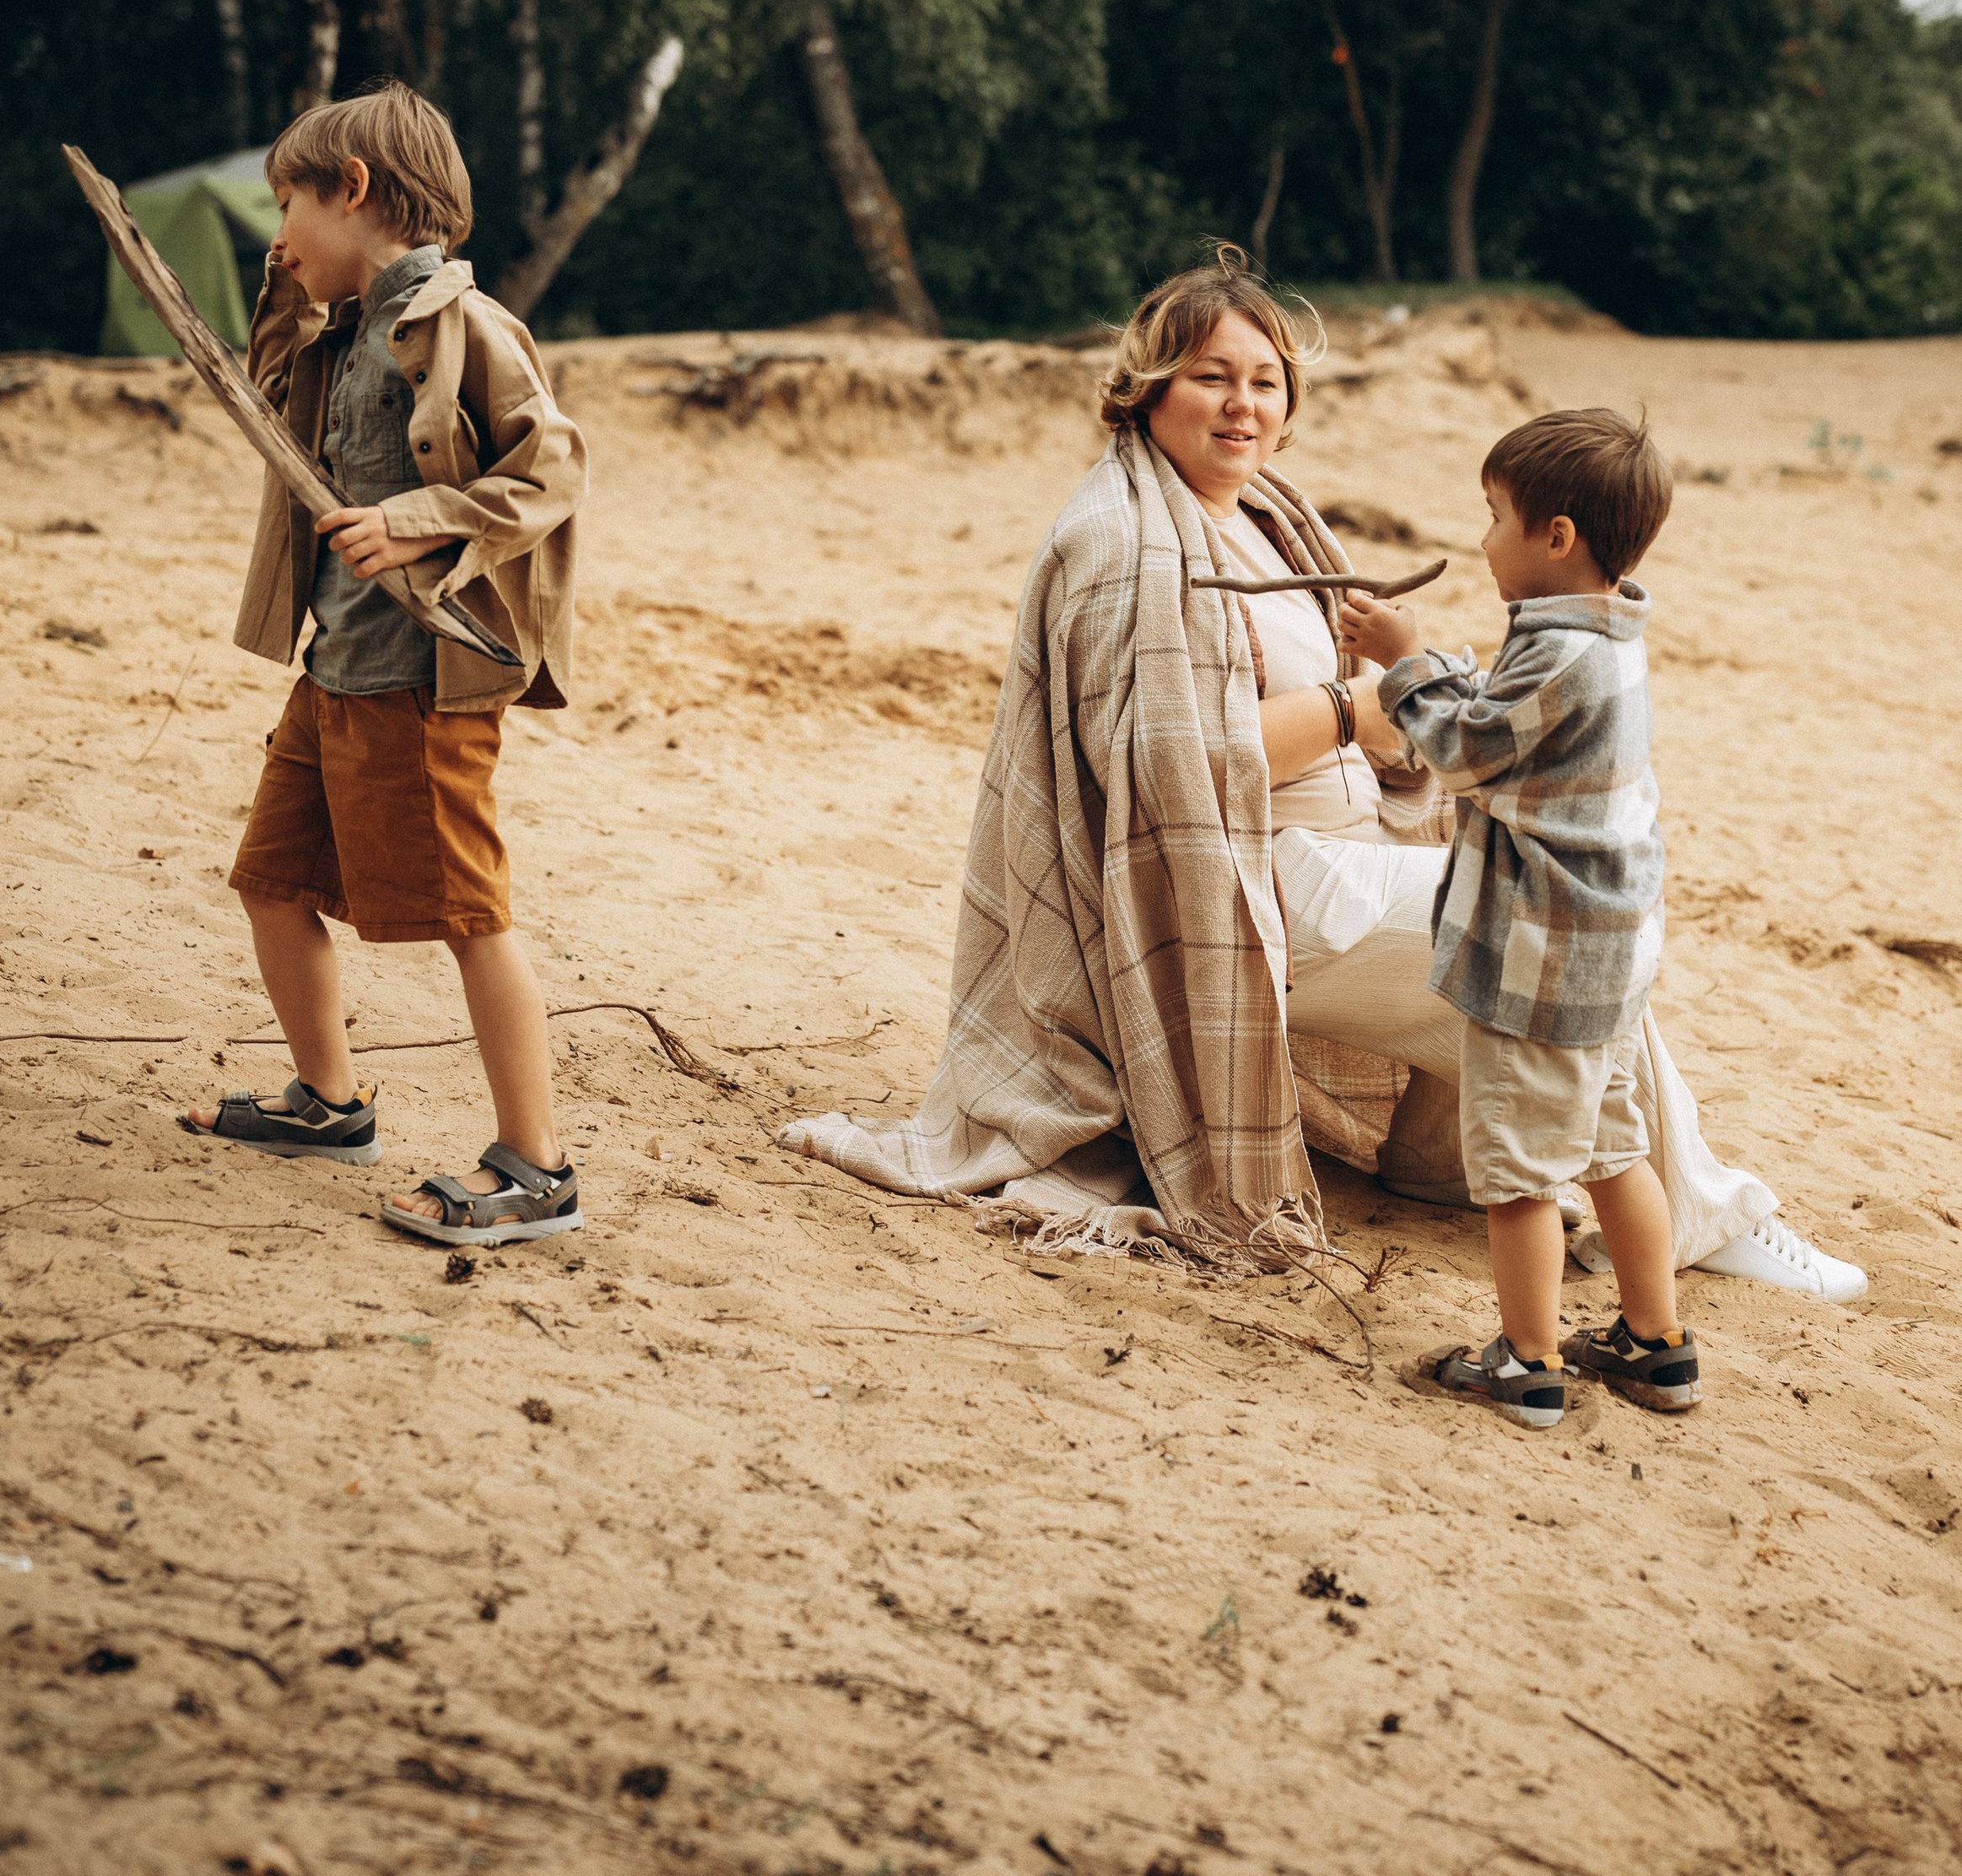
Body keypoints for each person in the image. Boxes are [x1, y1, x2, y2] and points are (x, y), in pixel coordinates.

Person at [786, 248, 1862, 1306]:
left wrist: (1398, 732)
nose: (1242, 405)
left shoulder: (1264, 515)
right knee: (1547, 932)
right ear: (1147, 388)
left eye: (1265, 381)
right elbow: (1171, 768)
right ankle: (1709, 1217)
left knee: (1545, 950)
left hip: (1336, 858)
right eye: (1211, 377)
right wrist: (1364, 710)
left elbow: (1350, 710)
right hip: (1238, 889)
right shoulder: (1121, 542)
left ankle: (1458, 1163)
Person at [181, 82, 589, 1248]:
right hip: (334, 668)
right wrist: (283, 287)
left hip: (422, 679)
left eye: (288, 204)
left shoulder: (470, 329)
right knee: (272, 881)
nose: (279, 231)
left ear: (352, 189)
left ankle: (536, 1166)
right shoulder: (345, 330)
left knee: (471, 914)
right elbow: (266, 396)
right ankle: (328, 1100)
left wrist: (420, 519)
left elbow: (554, 468)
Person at [1344, 407, 1695, 1433]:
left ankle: (1527, 1365)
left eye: (1495, 516)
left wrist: (1404, 663)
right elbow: (1511, 728)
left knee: (1518, 1175)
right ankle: (1654, 1345)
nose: (1484, 537)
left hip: (1540, 962)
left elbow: (1464, 754)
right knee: (1614, 1149)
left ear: (1557, 535)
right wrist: (1446, 675)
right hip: (1607, 958)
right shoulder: (1604, 632)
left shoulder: (1560, 658)